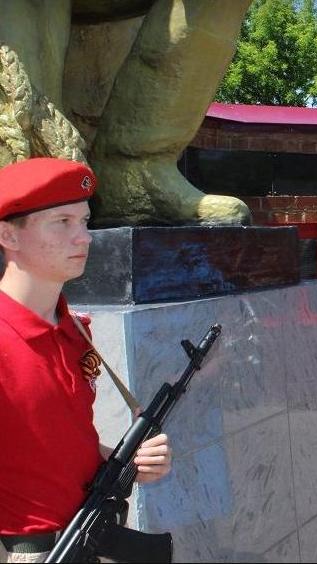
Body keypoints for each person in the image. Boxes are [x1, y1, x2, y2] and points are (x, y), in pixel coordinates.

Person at [0, 158, 172, 564]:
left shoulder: (75, 328)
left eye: (84, 221)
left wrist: (124, 460)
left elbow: (57, 442)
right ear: (8, 234)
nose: (84, 238)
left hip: (90, 539)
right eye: (62, 222)